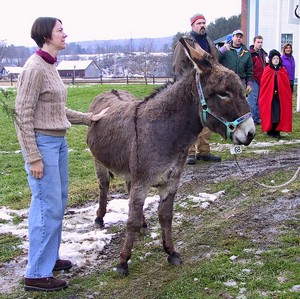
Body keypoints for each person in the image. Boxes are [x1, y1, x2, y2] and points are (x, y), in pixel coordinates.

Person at [14, 17, 109, 292]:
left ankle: (48, 260)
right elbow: (22, 116)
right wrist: (32, 156)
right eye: (60, 30)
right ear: (46, 36)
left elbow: (56, 110)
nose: (65, 34)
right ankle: (36, 273)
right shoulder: (34, 68)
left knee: (58, 201)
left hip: (57, 143)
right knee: (46, 205)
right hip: (42, 145)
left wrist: (89, 118)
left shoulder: (49, 66)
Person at [173, 13, 221, 165]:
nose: (202, 25)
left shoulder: (209, 42)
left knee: (206, 118)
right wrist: (184, 85)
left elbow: (214, 63)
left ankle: (204, 151)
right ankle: (189, 152)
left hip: (206, 86)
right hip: (190, 86)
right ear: (192, 25)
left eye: (204, 23)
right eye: (199, 23)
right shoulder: (184, 42)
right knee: (190, 120)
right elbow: (178, 65)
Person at [258, 49, 292, 138]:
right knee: (270, 113)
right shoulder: (267, 70)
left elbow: (286, 85)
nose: (276, 60)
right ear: (271, 60)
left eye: (277, 58)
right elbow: (264, 85)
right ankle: (270, 130)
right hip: (269, 97)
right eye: (274, 59)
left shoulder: (283, 70)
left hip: (280, 97)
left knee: (279, 113)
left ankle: (277, 131)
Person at [218, 29, 253, 96]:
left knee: (240, 103)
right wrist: (222, 50)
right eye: (237, 36)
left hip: (241, 81)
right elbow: (216, 59)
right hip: (226, 80)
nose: (238, 38)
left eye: (240, 37)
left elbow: (249, 70)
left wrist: (249, 84)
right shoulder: (225, 49)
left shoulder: (246, 52)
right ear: (232, 37)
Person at [248, 35, 268, 125]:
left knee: (260, 100)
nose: (260, 44)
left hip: (263, 79)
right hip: (253, 79)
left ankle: (258, 117)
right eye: (258, 42)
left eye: (261, 42)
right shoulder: (250, 54)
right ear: (254, 42)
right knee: (253, 100)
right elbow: (248, 67)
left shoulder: (264, 53)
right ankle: (252, 119)